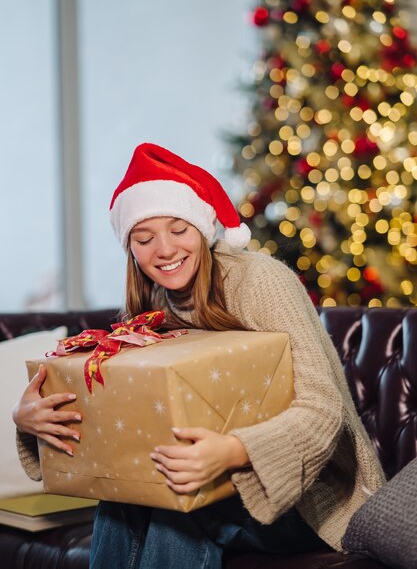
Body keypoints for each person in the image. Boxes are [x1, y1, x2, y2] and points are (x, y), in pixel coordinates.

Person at [13, 142, 386, 568]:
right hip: (208, 479)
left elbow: (324, 409)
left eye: (178, 229)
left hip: (314, 497)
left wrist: (232, 451)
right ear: (130, 248)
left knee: (183, 512)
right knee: (120, 502)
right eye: (144, 237)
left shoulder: (258, 282)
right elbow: (126, 420)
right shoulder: (149, 302)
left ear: (202, 228)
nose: (165, 250)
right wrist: (30, 423)